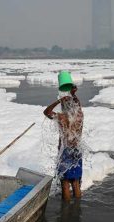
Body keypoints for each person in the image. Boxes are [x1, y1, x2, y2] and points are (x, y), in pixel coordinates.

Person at [43, 71, 84, 201]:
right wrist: (74, 94)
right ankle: (77, 207)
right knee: (76, 181)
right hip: (77, 149)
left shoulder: (61, 117)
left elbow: (46, 112)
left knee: (65, 183)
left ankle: (65, 210)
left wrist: (59, 100)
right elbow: (78, 104)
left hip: (65, 151)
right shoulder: (79, 116)